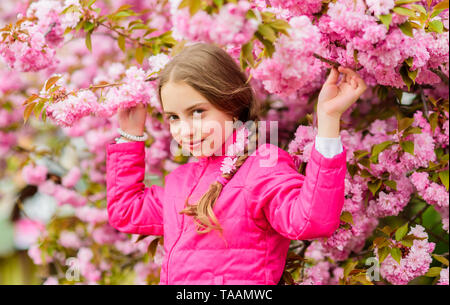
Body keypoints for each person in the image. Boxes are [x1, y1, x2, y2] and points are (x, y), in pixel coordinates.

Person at [106, 42, 367, 285]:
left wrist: (329, 119)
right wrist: (130, 136)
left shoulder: (262, 167)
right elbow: (125, 210)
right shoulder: (179, 181)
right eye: (174, 117)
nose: (184, 130)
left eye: (197, 112)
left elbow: (310, 220)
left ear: (231, 104)